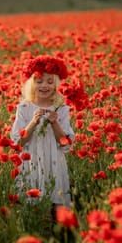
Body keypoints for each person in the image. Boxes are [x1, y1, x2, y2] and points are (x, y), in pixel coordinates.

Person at [10, 56, 75, 214]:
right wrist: (33, 122)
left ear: (56, 85)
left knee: (57, 204)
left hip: (54, 164)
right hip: (30, 164)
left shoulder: (62, 109)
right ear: (32, 84)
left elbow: (65, 144)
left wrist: (55, 123)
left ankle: (60, 232)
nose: (44, 85)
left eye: (49, 81)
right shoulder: (24, 108)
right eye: (39, 81)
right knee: (33, 206)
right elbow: (18, 142)